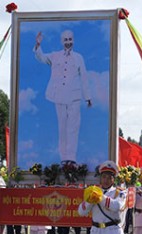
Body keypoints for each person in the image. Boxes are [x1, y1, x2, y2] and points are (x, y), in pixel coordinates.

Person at [34, 29, 92, 164]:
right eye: (65, 40)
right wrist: (38, 45)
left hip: (75, 97)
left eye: (70, 40)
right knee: (62, 127)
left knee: (73, 127)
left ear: (73, 40)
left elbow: (84, 77)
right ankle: (63, 158)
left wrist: (87, 96)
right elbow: (41, 57)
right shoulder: (55, 56)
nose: (68, 42)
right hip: (59, 96)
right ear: (61, 41)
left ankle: (71, 158)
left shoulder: (78, 58)